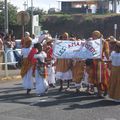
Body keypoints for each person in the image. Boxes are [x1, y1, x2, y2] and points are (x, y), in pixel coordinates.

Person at [86, 30, 110, 96]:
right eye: (93, 35)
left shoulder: (104, 42)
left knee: (102, 77)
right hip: (93, 62)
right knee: (94, 77)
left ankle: (106, 89)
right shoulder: (91, 42)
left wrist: (108, 60)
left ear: (99, 35)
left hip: (100, 62)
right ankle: (99, 91)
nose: (94, 36)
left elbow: (106, 52)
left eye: (96, 35)